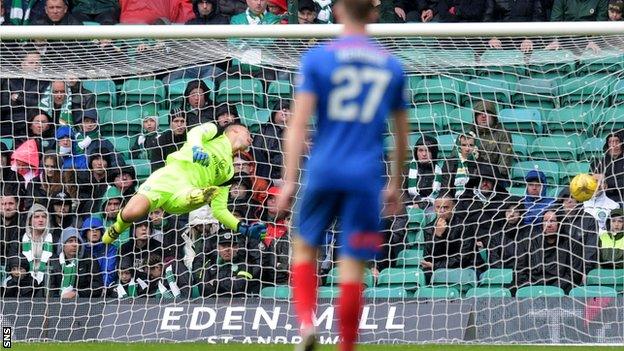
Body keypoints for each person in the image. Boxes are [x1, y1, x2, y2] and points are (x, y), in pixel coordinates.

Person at [275, 0, 409, 349]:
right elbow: (401, 136)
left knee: (304, 246)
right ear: (373, 13)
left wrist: (289, 180)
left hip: (323, 169)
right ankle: (346, 346)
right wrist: (395, 184)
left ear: (336, 12)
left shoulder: (318, 59)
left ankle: (306, 324)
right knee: (352, 266)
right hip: (365, 176)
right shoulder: (392, 67)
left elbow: (297, 126)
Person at [103, 122, 267, 247]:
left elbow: (219, 210)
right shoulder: (216, 131)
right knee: (133, 212)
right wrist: (197, 149)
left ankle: (200, 195)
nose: (251, 138)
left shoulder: (230, 172)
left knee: (204, 194)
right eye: (248, 133)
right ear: (235, 130)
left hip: (186, 193)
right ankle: (117, 227)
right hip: (169, 177)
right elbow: (196, 132)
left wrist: (242, 228)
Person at [48, 226, 104, 298]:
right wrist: (60, 298)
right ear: (63, 245)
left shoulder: (89, 260)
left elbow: (97, 286)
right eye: (70, 241)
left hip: (82, 303)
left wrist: (77, 294)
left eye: (77, 241)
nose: (74, 244)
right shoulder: (53, 261)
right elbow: (49, 288)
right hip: (56, 303)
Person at [470, 100, 514, 179]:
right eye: (480, 113)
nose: (483, 116)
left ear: (493, 117)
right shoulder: (468, 133)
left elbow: (504, 164)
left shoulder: (502, 133)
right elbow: (455, 157)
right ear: (475, 117)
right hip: (471, 178)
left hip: (494, 180)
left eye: (487, 112)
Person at [252, 99, 290, 182]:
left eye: (288, 109)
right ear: (274, 114)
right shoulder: (263, 131)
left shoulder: (296, 134)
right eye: (281, 108)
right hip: (267, 177)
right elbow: (256, 154)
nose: (284, 111)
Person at [407, 134, 442, 209]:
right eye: (420, 150)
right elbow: (400, 192)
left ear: (433, 153)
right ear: (416, 152)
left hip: (431, 207)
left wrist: (421, 205)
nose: (424, 154)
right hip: (408, 206)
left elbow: (441, 194)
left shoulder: (441, 171)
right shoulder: (406, 169)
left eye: (428, 151)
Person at [81, 216, 118, 287]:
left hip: (104, 289)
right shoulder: (81, 250)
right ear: (85, 233)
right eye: (91, 229)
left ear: (102, 232)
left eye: (97, 229)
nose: (94, 231)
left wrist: (102, 288)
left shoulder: (110, 249)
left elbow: (109, 271)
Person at [440, 132, 477, 199]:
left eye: (471, 145)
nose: (467, 149)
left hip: (473, 201)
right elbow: (445, 187)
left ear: (475, 146)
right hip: (453, 200)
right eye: (464, 145)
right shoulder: (449, 163)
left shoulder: (479, 163)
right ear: (458, 145)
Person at [590, 130, 623, 203]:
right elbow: (592, 180)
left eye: (617, 141)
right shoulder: (597, 163)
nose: (614, 145)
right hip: (601, 199)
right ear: (607, 145)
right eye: (611, 142)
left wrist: (605, 180)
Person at [0, 192, 22, 269]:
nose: (7, 207)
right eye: (3, 204)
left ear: (17, 204)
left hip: (17, 267)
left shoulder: (23, 222)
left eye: (11, 203)